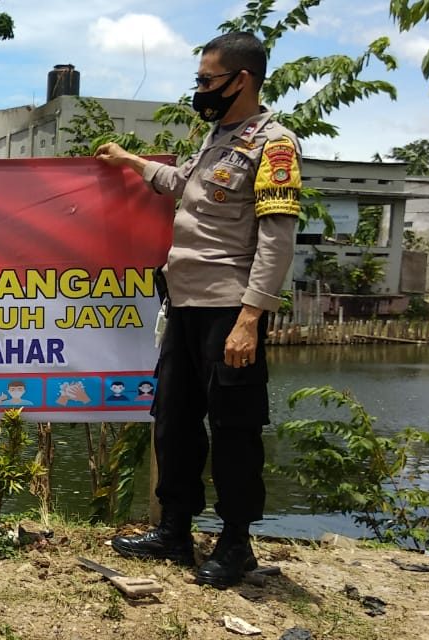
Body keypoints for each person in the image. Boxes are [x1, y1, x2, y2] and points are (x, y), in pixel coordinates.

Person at [95, 31, 300, 588]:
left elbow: (277, 240)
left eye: (209, 81)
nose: (201, 90)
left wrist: (251, 318)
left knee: (234, 429)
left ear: (244, 80)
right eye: (200, 81)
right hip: (183, 305)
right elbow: (183, 185)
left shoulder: (273, 145)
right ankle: (175, 530)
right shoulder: (216, 137)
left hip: (230, 310)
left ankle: (236, 544)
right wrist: (129, 160)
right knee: (175, 419)